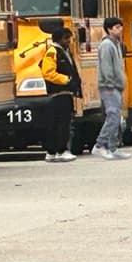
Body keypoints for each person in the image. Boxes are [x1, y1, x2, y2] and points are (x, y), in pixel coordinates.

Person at [38, 26, 79, 162]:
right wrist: (66, 80)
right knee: (61, 123)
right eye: (66, 39)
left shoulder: (64, 51)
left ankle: (52, 151)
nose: (69, 41)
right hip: (59, 92)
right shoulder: (52, 52)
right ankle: (60, 150)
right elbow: (48, 73)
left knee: (59, 123)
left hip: (65, 92)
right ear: (59, 39)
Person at [95, 16, 130, 160]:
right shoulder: (107, 45)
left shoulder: (116, 44)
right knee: (113, 116)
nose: (120, 30)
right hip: (109, 86)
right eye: (116, 27)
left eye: (120, 27)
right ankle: (100, 145)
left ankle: (113, 147)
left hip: (116, 85)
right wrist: (110, 83)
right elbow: (106, 66)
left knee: (116, 116)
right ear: (109, 29)